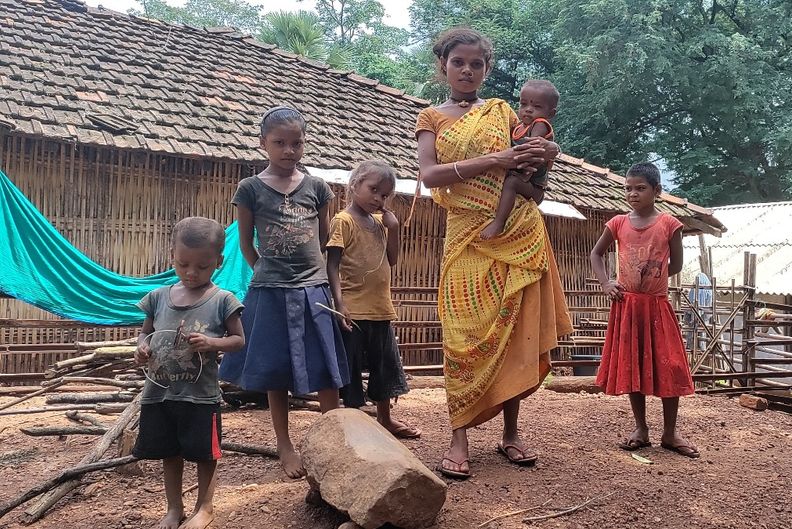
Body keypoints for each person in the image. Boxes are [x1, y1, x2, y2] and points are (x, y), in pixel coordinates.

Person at [415, 27, 573, 479]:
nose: (467, 70)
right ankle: (458, 436)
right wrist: (493, 162)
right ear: (443, 64)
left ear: (487, 68)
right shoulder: (430, 118)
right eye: (459, 62)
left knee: (513, 334)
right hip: (467, 236)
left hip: (519, 234)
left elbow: (535, 152)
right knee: (462, 337)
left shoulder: (505, 112)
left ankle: (510, 434)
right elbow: (430, 176)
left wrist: (553, 148)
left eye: (477, 64)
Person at [219, 106, 349, 479]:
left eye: (296, 143)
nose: (289, 150)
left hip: (314, 288)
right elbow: (245, 245)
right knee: (276, 370)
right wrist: (265, 270)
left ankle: (334, 439)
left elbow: (325, 241)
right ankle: (284, 444)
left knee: (325, 366)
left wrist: (329, 280)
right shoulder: (250, 189)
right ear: (263, 144)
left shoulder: (317, 188)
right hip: (270, 290)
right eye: (279, 143)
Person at [133, 216, 246, 529]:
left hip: (200, 396)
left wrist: (210, 342)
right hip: (159, 393)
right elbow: (145, 334)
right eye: (183, 264)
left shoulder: (223, 300)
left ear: (218, 262)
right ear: (172, 256)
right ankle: (174, 509)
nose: (191, 273)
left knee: (205, 454)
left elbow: (238, 341)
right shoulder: (157, 298)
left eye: (202, 266)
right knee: (170, 452)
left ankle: (205, 507)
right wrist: (141, 349)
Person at [589, 162, 700, 459]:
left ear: (657, 191)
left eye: (640, 188)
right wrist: (606, 283)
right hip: (627, 306)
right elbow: (596, 254)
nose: (633, 194)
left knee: (671, 365)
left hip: (656, 306)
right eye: (628, 188)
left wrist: (654, 277)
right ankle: (641, 429)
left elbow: (675, 264)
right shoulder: (617, 224)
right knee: (632, 366)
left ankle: (670, 432)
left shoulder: (669, 224)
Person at [325, 160, 421, 439]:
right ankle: (355, 424)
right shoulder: (343, 221)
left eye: (384, 195)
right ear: (355, 185)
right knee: (351, 369)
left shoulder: (380, 223)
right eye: (373, 190)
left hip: (380, 309)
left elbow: (392, 259)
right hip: (353, 310)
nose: (378, 198)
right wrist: (339, 303)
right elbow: (332, 265)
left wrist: (394, 228)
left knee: (384, 367)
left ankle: (385, 419)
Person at [480, 79, 559, 240]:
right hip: (523, 180)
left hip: (534, 187)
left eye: (537, 107)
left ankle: (499, 222)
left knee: (511, 183)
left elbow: (532, 151)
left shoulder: (540, 125)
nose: (528, 110)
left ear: (550, 113)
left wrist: (523, 175)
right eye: (524, 104)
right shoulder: (518, 127)